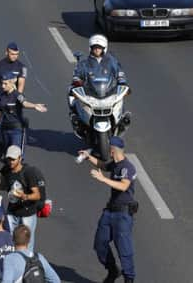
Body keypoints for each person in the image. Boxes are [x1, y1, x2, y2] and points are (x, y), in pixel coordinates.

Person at [79, 136, 136, 283]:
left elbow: (123, 186)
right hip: (109, 211)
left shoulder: (127, 167)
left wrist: (103, 179)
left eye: (108, 147)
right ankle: (112, 270)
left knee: (124, 250)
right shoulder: (115, 164)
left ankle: (129, 278)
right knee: (100, 244)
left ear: (112, 150)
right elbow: (102, 165)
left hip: (123, 214)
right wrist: (88, 157)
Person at [70, 34, 129, 136]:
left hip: (108, 91)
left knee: (121, 99)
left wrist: (122, 81)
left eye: (99, 48)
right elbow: (77, 74)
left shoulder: (111, 61)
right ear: (90, 48)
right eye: (95, 48)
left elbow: (119, 72)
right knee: (71, 95)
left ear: (104, 49)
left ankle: (121, 120)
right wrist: (77, 82)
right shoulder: (84, 63)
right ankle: (77, 119)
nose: (97, 50)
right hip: (91, 92)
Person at [0, 73, 47, 157]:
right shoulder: (0, 97)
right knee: (8, 156)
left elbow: (24, 103)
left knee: (16, 154)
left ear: (12, 83)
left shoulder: (17, 95)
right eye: (2, 83)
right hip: (5, 129)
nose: (2, 86)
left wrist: (34, 106)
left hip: (17, 129)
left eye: (5, 83)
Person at [0, 146, 46, 252]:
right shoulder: (6, 170)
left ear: (20, 158)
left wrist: (24, 196)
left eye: (13, 159)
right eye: (9, 159)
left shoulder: (28, 172)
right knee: (11, 240)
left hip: (27, 213)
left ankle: (26, 264)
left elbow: (37, 195)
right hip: (12, 212)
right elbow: (0, 187)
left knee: (27, 243)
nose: (10, 162)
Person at [0, 43, 27, 113]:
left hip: (13, 103)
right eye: (12, 54)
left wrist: (17, 100)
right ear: (6, 53)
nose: (15, 56)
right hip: (0, 102)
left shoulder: (22, 67)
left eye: (16, 54)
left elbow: (21, 84)